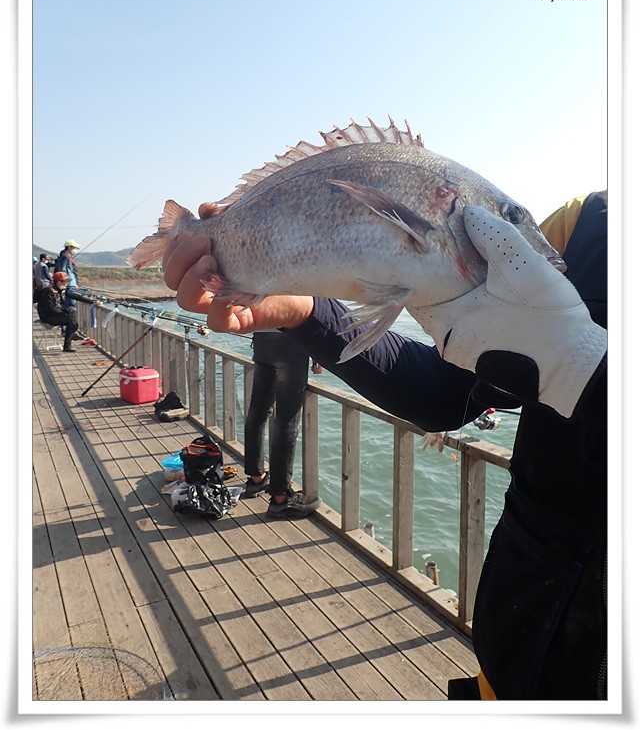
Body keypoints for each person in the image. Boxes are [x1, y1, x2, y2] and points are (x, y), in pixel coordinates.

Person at [160, 191, 607, 700]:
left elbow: (567, 366)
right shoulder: (582, 226)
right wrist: (306, 311)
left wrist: (586, 372)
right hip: (516, 660)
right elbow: (448, 391)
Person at [243, 331, 324, 518]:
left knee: (257, 413)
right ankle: (281, 497)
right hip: (291, 348)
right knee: (286, 422)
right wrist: (318, 357)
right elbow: (310, 319)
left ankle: (256, 478)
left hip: (262, 343)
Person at [35, 271, 96, 352]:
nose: (67, 283)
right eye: (65, 282)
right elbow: (50, 309)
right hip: (47, 317)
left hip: (55, 314)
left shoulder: (60, 290)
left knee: (72, 319)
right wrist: (65, 311)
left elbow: (75, 296)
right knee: (72, 320)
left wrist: (91, 301)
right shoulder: (48, 291)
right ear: (59, 282)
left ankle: (70, 338)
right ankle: (69, 340)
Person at [54, 239, 81, 308]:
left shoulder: (67, 257)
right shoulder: (65, 257)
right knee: (70, 306)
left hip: (71, 285)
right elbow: (62, 273)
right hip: (69, 286)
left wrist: (74, 283)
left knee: (71, 304)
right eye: (75, 248)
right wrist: (66, 283)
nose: (76, 250)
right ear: (69, 247)